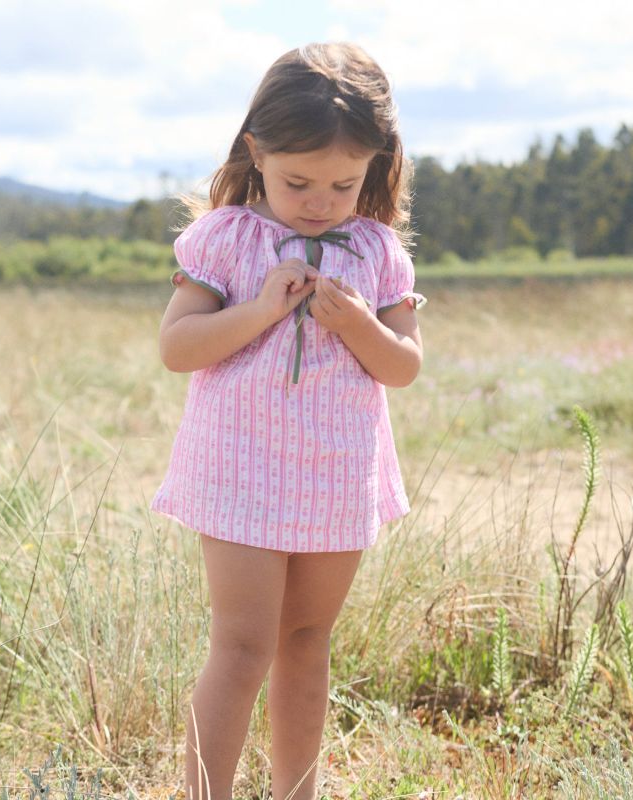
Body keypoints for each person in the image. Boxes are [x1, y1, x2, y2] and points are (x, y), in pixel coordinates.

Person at [150, 41, 426, 800]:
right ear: (256, 151)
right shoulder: (226, 238)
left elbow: (403, 366)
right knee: (242, 647)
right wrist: (263, 309)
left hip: (336, 472)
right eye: (298, 181)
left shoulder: (378, 252)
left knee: (306, 642)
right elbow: (177, 347)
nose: (320, 202)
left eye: (344, 183)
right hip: (239, 466)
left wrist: (360, 325)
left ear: (375, 165)